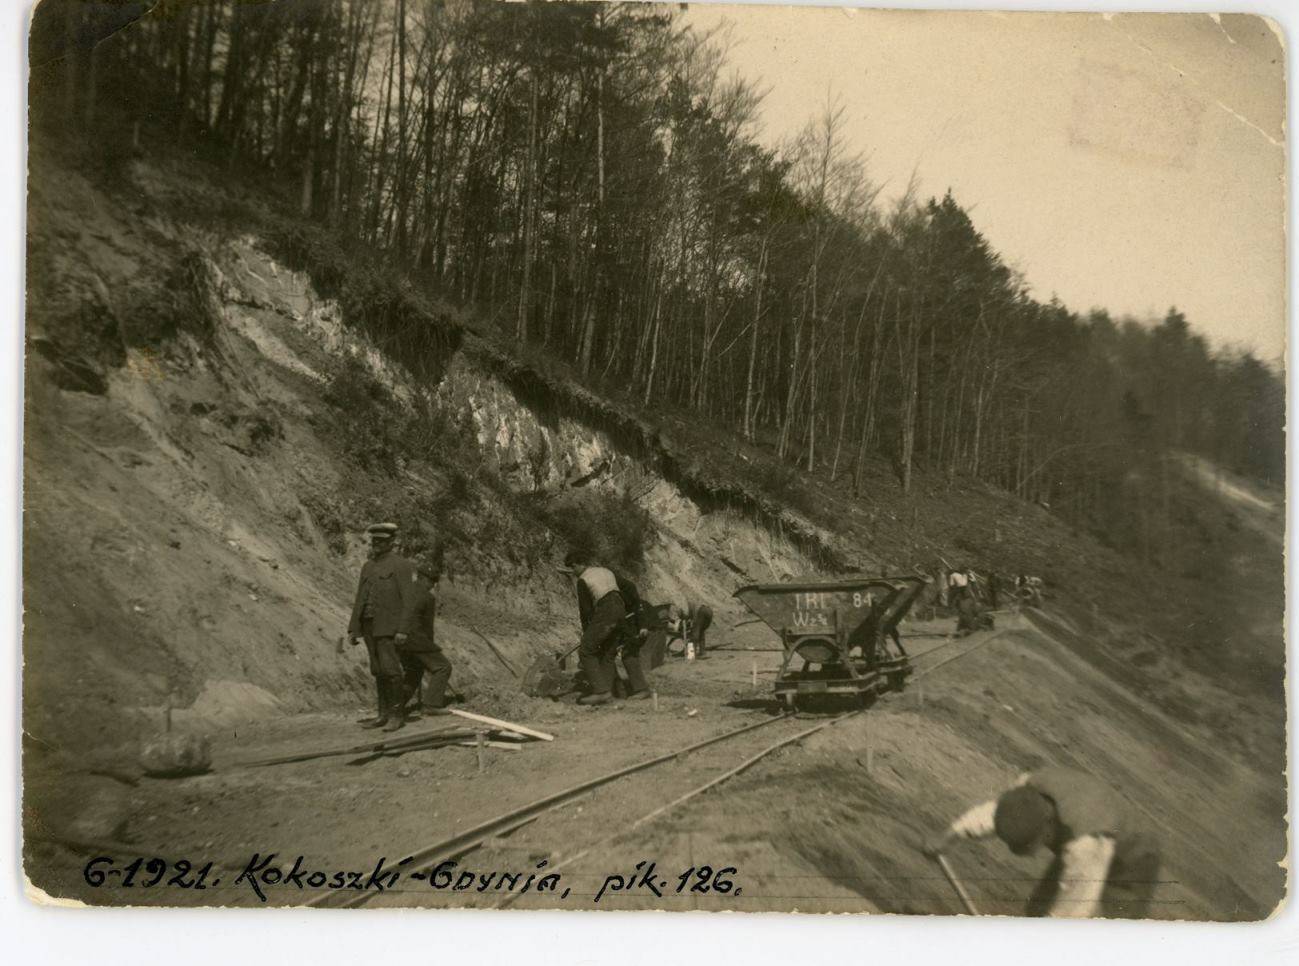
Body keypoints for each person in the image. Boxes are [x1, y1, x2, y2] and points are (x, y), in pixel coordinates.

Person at [923, 767, 1163, 919]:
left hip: (1132, 860)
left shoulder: (1084, 846)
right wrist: (949, 835)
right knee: (1038, 911)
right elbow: (995, 814)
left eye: (1031, 847)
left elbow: (1073, 914)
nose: (1031, 855)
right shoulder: (1028, 792)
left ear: (1048, 828)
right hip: (1083, 827)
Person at [347, 522, 417, 731]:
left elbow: (409, 601)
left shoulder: (401, 565)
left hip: (389, 627)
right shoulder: (368, 566)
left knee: (391, 670)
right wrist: (354, 628)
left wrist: (403, 629)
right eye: (374, 541)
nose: (376, 544)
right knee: (377, 670)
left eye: (381, 541)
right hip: (369, 626)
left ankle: (397, 715)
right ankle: (382, 714)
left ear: (391, 543)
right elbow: (360, 598)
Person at [562, 550, 650, 706]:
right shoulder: (606, 572)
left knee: (586, 651)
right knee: (607, 653)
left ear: (577, 565)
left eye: (572, 568)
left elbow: (586, 611)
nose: (573, 572)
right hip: (620, 609)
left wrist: (587, 634)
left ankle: (602, 692)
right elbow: (628, 586)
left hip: (606, 610)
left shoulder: (583, 580)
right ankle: (611, 692)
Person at [397, 544, 453, 718]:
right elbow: (427, 628)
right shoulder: (427, 597)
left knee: (413, 671)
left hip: (400, 639)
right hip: (416, 639)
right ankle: (431, 705)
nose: (432, 585)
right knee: (443, 667)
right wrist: (431, 647)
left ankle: (396, 705)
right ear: (426, 579)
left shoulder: (405, 590)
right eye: (432, 581)